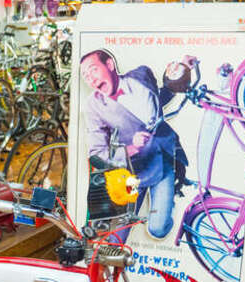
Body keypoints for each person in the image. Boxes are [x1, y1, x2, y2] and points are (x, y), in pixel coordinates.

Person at [80, 49, 187, 240]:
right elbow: (97, 154)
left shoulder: (142, 74)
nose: (91, 79)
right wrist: (131, 148)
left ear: (110, 65)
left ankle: (164, 206)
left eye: (93, 70)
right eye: (85, 76)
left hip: (163, 159)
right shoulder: (93, 106)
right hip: (131, 172)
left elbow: (157, 99)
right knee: (115, 238)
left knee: (158, 229)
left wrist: (184, 69)